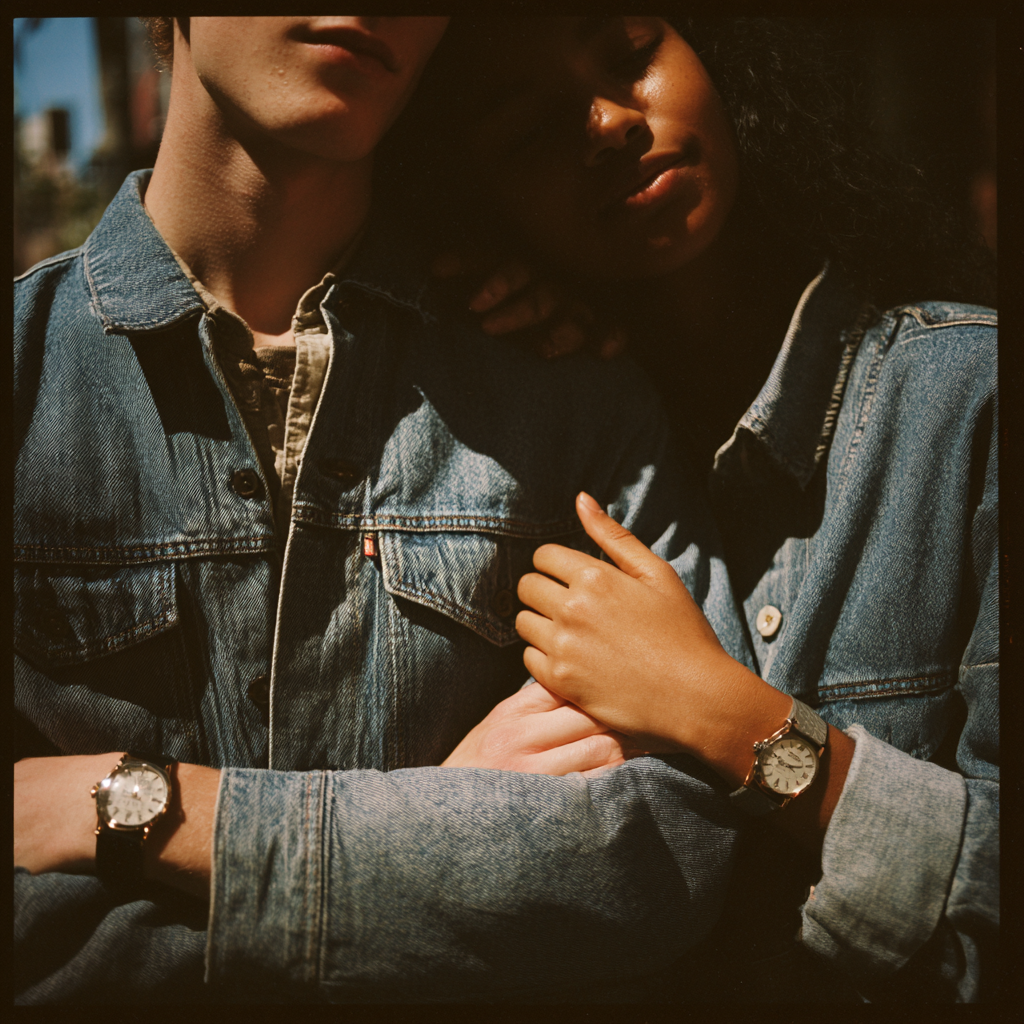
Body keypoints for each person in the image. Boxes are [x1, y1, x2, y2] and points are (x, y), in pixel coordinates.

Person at [14, 17, 756, 1003]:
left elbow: (663, 854)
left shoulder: (570, 397)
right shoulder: (26, 380)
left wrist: (144, 813)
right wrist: (447, 827)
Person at [388, 15, 998, 1002]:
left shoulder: (970, 399)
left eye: (629, 54)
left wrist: (717, 711)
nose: (604, 123)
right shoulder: (506, 460)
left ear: (721, 55)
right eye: (528, 130)